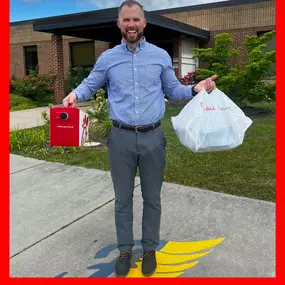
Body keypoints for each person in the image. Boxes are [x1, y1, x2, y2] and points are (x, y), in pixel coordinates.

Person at [63, 0, 217, 278]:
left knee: (152, 198)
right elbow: (90, 83)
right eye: (126, 20)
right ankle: (124, 250)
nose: (131, 24)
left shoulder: (159, 56)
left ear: (144, 23)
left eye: (136, 19)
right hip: (120, 138)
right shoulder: (108, 58)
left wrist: (195, 88)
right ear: (119, 24)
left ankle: (149, 249)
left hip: (153, 137)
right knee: (122, 200)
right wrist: (75, 95)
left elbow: (174, 90)